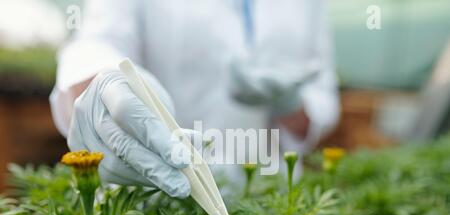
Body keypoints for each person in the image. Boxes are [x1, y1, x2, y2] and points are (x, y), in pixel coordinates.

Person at [50, 0, 339, 198]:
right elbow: (97, 41)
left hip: (273, 205)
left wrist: (289, 103)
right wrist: (105, 85)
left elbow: (322, 95)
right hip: (160, 199)